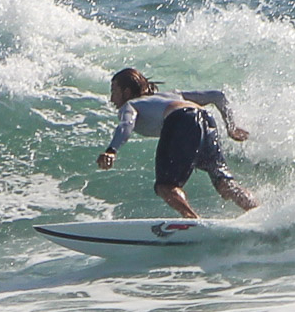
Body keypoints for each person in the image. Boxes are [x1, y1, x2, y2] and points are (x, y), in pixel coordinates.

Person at [97, 68, 258, 219]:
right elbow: (218, 96)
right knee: (225, 184)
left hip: (181, 120)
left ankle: (192, 220)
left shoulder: (130, 105)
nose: (112, 98)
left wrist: (112, 150)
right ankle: (259, 213)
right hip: (206, 121)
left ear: (126, 92)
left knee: (165, 187)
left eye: (114, 92)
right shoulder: (173, 95)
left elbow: (126, 125)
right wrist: (231, 128)